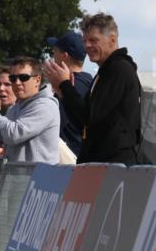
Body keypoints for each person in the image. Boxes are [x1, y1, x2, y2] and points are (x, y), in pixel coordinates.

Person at [43, 13, 141, 165]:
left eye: (93, 40)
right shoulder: (105, 72)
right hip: (101, 164)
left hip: (113, 167)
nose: (87, 45)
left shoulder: (118, 70)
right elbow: (84, 124)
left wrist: (65, 85)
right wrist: (64, 92)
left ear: (112, 40)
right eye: (85, 41)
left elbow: (89, 117)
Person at [0, 56, 60, 164]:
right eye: (13, 79)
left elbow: (13, 135)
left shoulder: (46, 105)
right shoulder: (14, 109)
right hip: (17, 177)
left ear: (37, 80)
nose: (17, 82)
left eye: (23, 77)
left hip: (39, 179)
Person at [45, 31, 93, 158]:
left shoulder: (71, 86)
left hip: (71, 160)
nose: (52, 55)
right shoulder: (89, 80)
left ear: (64, 55)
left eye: (55, 51)